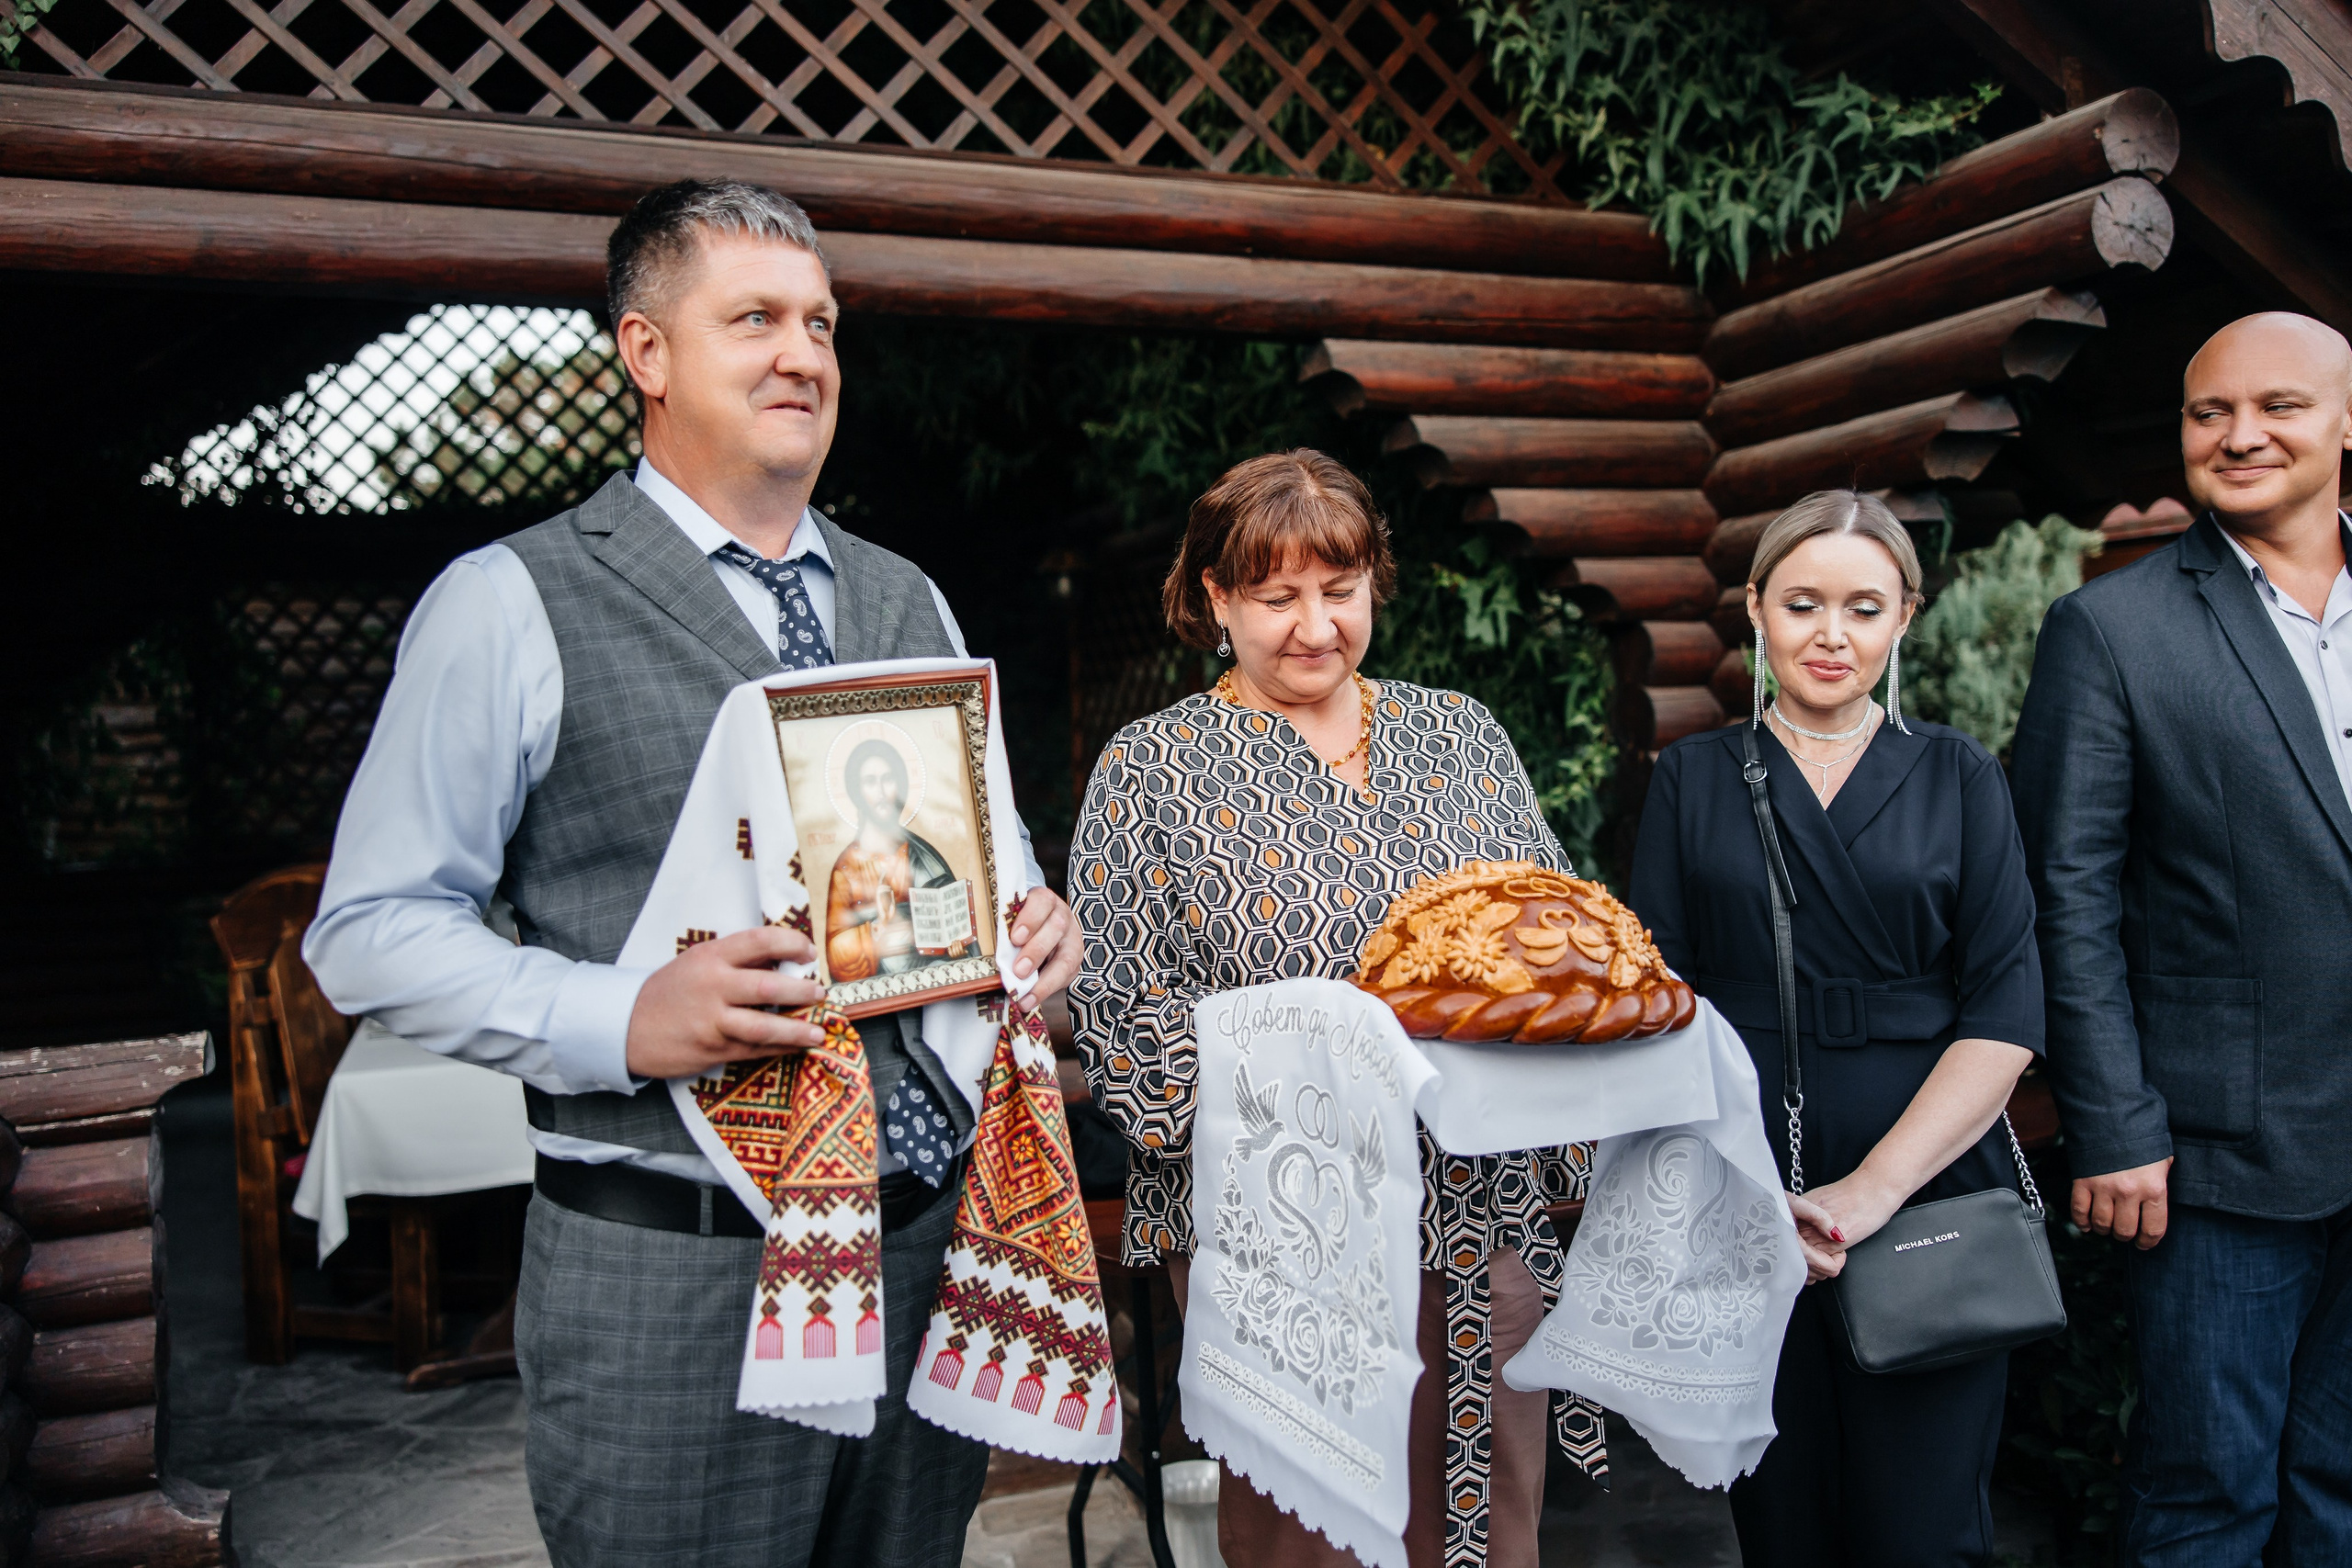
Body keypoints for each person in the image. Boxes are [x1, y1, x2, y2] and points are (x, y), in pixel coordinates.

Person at [304, 179, 1082, 1567]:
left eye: (821, 324)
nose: (803, 354)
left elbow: (993, 846)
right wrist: (620, 1015)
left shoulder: (911, 597)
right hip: (674, 1279)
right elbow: (368, 928)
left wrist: (1033, 920)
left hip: (925, 1255)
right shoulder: (510, 599)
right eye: (756, 320)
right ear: (646, 352)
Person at [1067, 449, 1599, 1568]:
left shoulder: (1458, 736)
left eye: (1340, 591)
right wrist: (1335, 1054)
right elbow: (1120, 1022)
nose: (1315, 627)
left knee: (1490, 1512)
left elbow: (1559, 930)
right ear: (1216, 597)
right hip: (1279, 1229)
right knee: (1308, 1533)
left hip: (1478, 1203)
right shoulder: (1150, 770)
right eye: (1277, 598)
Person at [1630, 489, 2041, 1568]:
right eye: (1802, 603)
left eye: (1863, 608)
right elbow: (1656, 1009)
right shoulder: (1691, 779)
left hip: (1927, 1179)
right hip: (1744, 1185)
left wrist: (1874, 1192)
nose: (1831, 634)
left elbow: (2005, 1011)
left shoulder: (1959, 775)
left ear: (1903, 617)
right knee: (1783, 1527)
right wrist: (1738, 1188)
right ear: (1755, 608)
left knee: (1923, 1531)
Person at [2011, 311, 2352, 1566]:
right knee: (2208, 1495)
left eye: (2278, 406)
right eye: (2210, 412)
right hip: (2213, 1154)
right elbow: (2067, 893)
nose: (2239, 433)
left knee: (2343, 1492)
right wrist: (2111, 1121)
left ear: (2346, 425)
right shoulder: (2112, 628)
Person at [824, 736, 967, 981]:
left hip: (940, 982)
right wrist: (877, 930)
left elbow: (956, 925)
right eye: (870, 782)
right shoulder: (846, 868)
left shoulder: (922, 854)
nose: (881, 792)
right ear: (857, 792)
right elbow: (834, 950)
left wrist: (956, 942)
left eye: (888, 779)